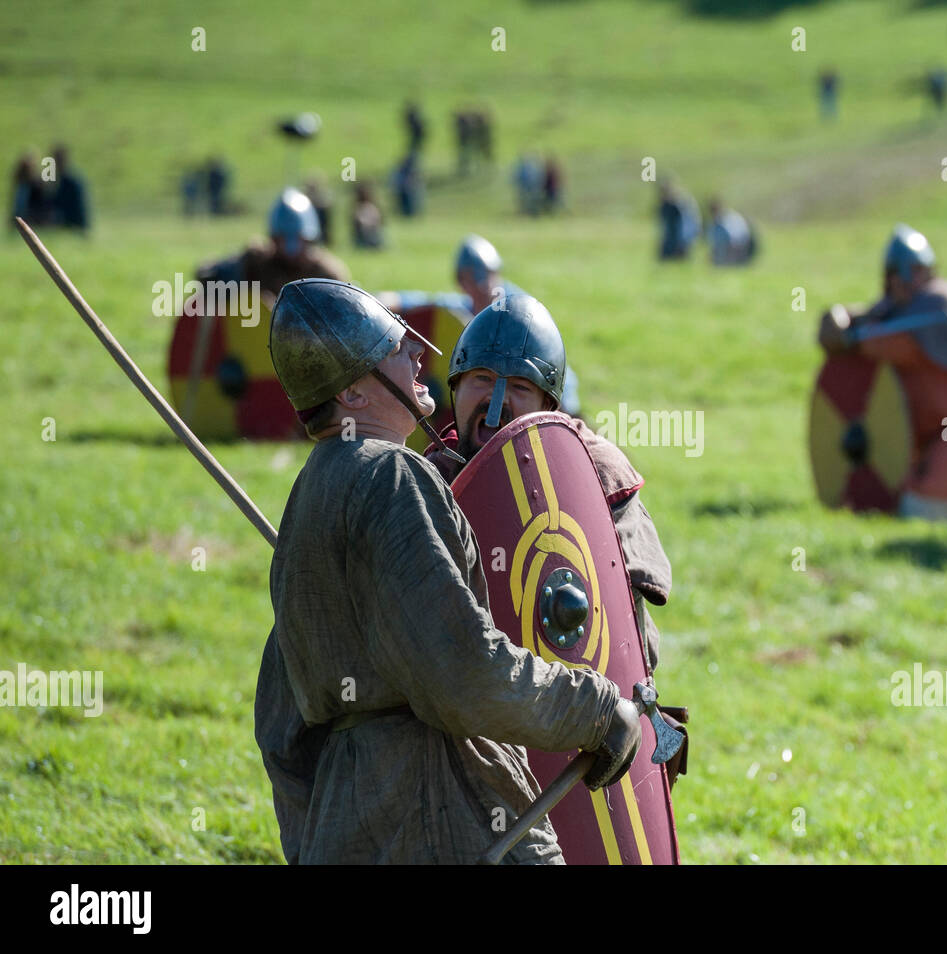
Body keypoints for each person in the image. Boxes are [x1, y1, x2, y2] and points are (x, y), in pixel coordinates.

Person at [255, 278, 641, 864]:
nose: (418, 352)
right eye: (394, 348)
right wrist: (594, 710)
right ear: (355, 393)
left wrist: (318, 836)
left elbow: (278, 719)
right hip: (444, 811)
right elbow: (460, 670)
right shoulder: (391, 477)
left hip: (346, 822)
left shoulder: (309, 489)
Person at [430, 293, 673, 676]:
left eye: (520, 387)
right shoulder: (430, 476)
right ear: (455, 388)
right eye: (483, 379)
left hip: (581, 698)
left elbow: (631, 631)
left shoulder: (596, 472)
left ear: (548, 404)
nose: (497, 400)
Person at [819, 223, 947, 545]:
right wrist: (836, 316)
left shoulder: (939, 303)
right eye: (906, 273)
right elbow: (862, 321)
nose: (914, 280)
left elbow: (881, 338)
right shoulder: (897, 309)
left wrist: (848, 332)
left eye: (920, 271)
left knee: (920, 508)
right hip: (934, 442)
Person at [452, 234, 581, 417]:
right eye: (469, 279)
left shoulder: (520, 312)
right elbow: (431, 305)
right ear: (461, 282)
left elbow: (550, 363)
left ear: (496, 274)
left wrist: (566, 407)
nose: (479, 287)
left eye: (484, 277)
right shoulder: (464, 308)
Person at [195, 187, 349, 295]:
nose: (290, 247)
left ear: (309, 239)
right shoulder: (259, 262)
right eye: (282, 238)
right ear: (274, 238)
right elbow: (208, 275)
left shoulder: (327, 276)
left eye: (298, 239)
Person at [707, 198, 757, 266]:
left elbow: (732, 237)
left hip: (740, 245)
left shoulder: (726, 218)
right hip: (739, 243)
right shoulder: (727, 216)